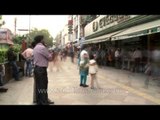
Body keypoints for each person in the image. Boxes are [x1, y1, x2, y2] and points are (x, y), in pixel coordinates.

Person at [33, 35, 54, 105]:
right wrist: (51, 53)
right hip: (41, 69)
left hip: (37, 69)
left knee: (39, 86)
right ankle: (44, 102)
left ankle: (40, 101)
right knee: (43, 86)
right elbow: (50, 58)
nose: (44, 40)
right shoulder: (42, 47)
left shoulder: (35, 47)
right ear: (41, 40)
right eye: (43, 39)